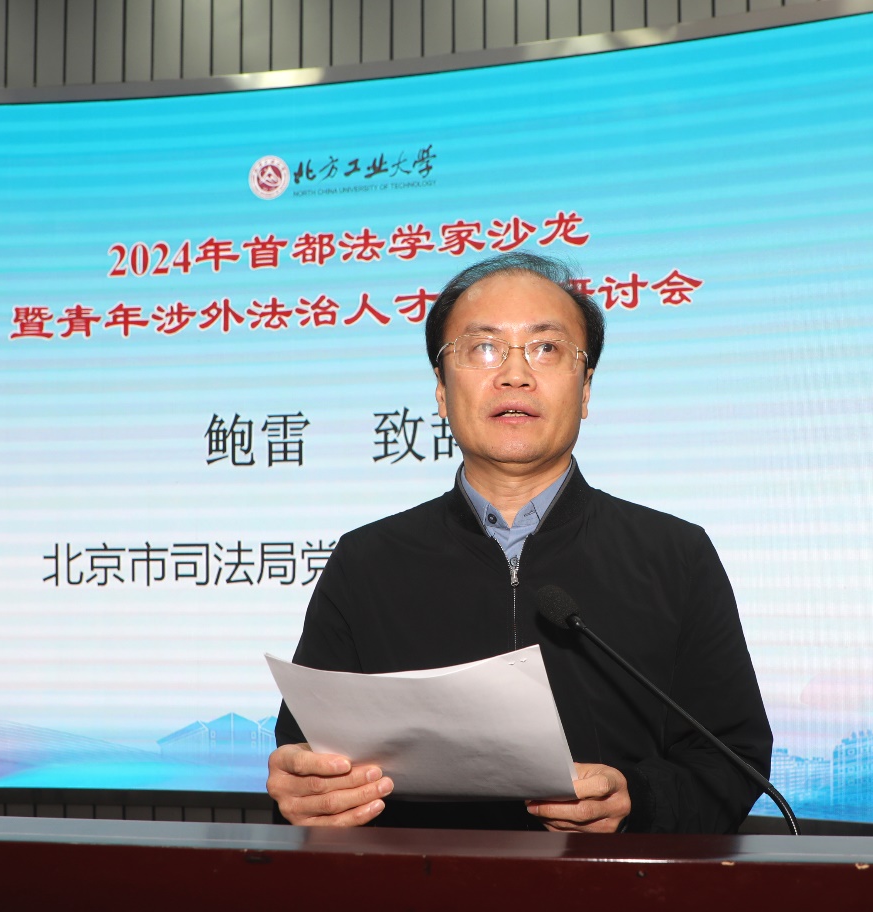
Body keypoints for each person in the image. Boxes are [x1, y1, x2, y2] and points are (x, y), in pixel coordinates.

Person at [267, 252, 772, 833]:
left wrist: (637, 801)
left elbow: (732, 762)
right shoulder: (366, 561)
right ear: (441, 390)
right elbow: (305, 754)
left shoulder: (675, 555)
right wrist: (306, 791)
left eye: (546, 348)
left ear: (586, 389)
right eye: (483, 347)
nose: (514, 375)